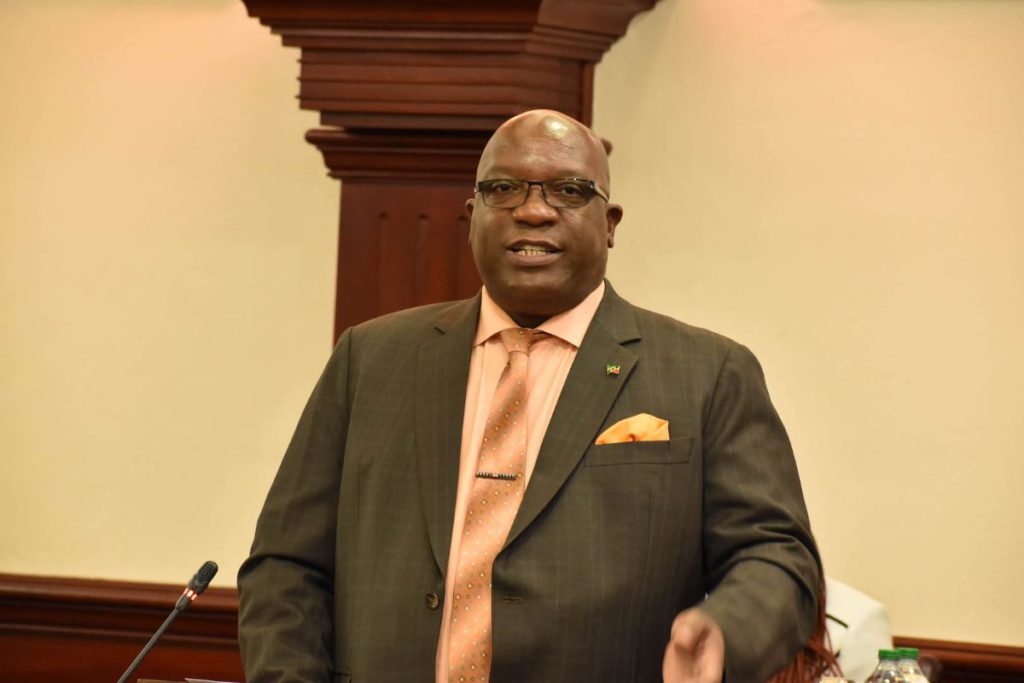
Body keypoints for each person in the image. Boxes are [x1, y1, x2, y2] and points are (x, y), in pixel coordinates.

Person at [237, 109, 821, 683]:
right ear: (472, 216)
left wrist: (725, 630)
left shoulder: (707, 374)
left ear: (610, 223)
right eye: (504, 189)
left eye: (569, 190)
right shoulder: (370, 359)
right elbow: (286, 564)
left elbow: (776, 557)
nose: (534, 211)